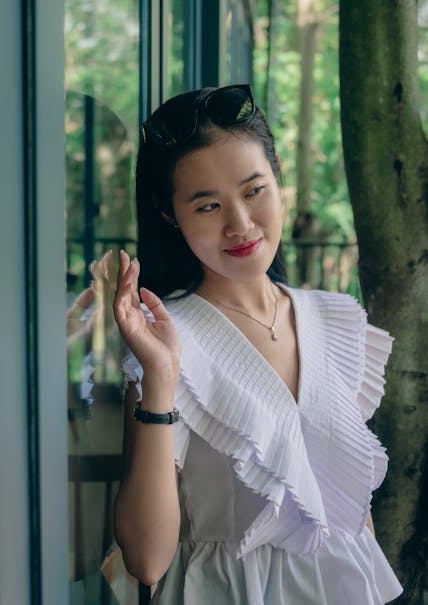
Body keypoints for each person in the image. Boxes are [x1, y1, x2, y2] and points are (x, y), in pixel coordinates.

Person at [109, 84, 403, 604]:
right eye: (207, 206)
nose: (240, 224)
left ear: (276, 174)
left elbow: (349, 509)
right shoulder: (170, 339)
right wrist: (159, 377)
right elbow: (148, 561)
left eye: (253, 191)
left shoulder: (332, 322)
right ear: (168, 215)